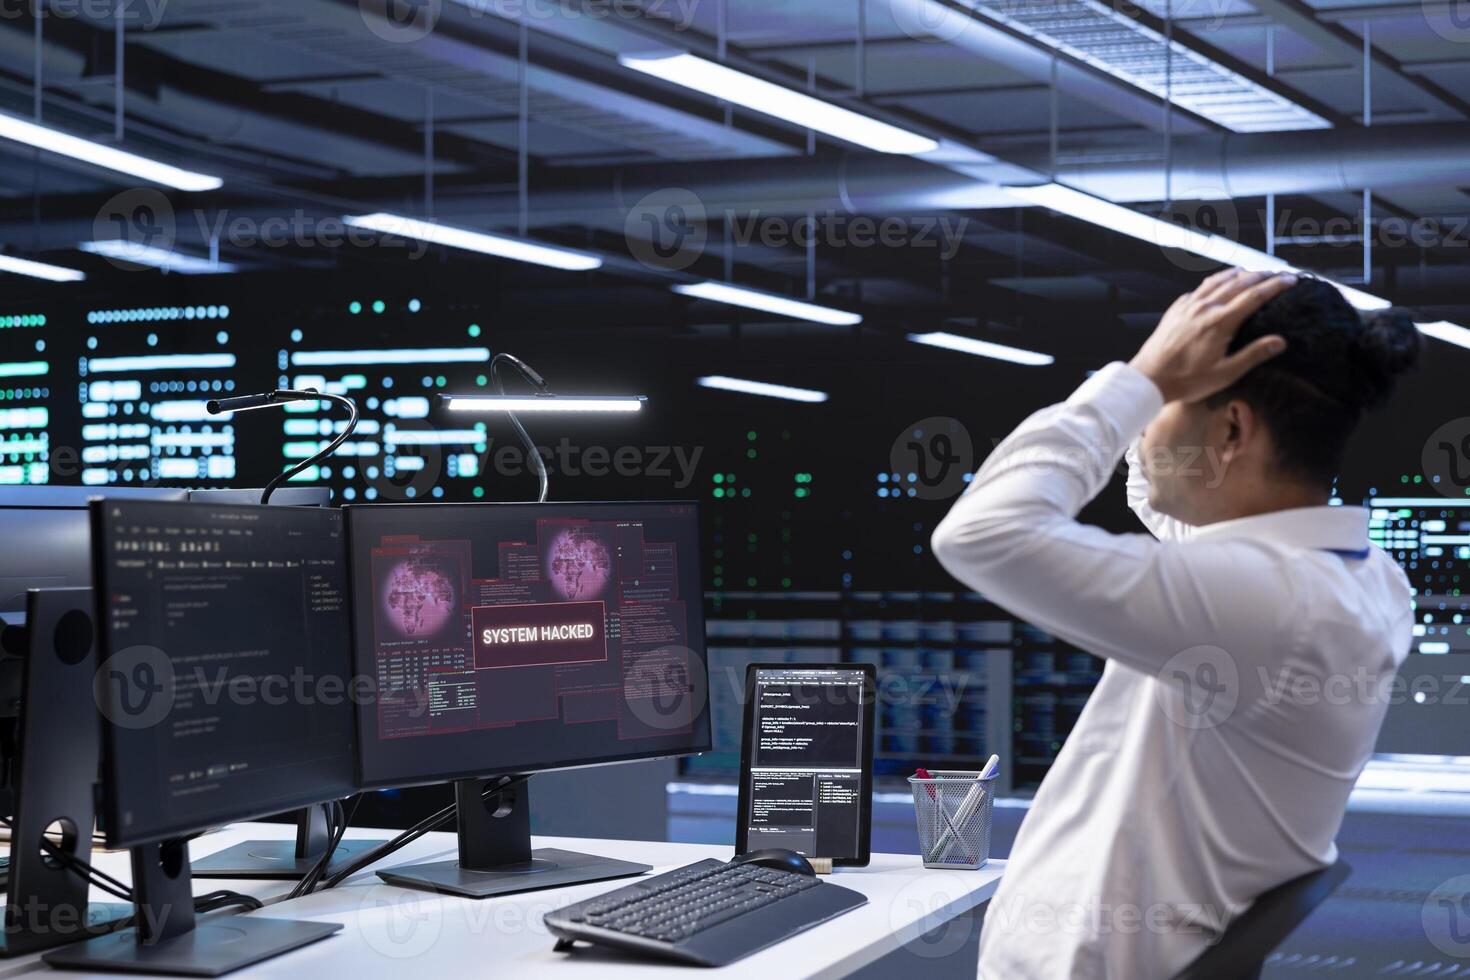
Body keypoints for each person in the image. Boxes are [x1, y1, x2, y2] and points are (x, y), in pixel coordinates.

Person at [930, 269, 1420, 978]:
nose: (1146, 422)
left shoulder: (1268, 601)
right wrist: (1166, 385)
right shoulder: (1359, 578)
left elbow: (982, 534)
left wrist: (1141, 378)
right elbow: (1160, 494)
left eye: (1165, 408)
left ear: (1232, 428)